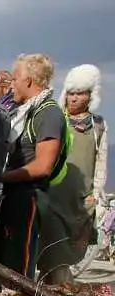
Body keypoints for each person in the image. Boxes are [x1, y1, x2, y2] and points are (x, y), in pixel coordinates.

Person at [0, 53, 69, 296]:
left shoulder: (49, 113)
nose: (11, 84)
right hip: (6, 193)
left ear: (28, 80)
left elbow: (42, 165)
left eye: (15, 79)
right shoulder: (23, 109)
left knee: (17, 258)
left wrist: (0, 176)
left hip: (26, 195)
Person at [59, 64, 109, 274]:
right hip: (57, 190)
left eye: (80, 93)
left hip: (83, 194)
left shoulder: (98, 124)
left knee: (79, 239)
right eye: (71, 93)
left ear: (90, 95)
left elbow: (101, 159)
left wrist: (97, 190)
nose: (74, 98)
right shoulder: (58, 120)